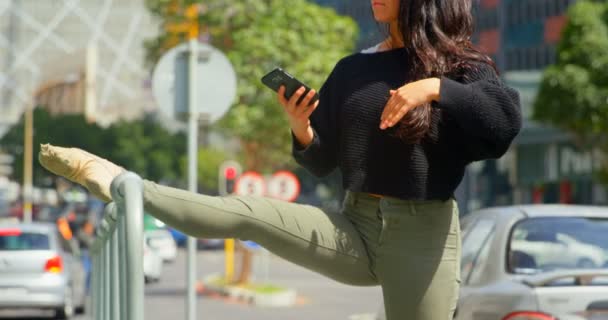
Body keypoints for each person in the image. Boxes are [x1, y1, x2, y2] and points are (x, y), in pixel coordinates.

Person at [38, 0, 521, 318]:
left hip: (422, 236)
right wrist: (301, 127)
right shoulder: (354, 69)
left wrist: (434, 88)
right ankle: (123, 182)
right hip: (354, 227)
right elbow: (325, 158)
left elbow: (502, 124)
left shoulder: (462, 67)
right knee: (247, 212)